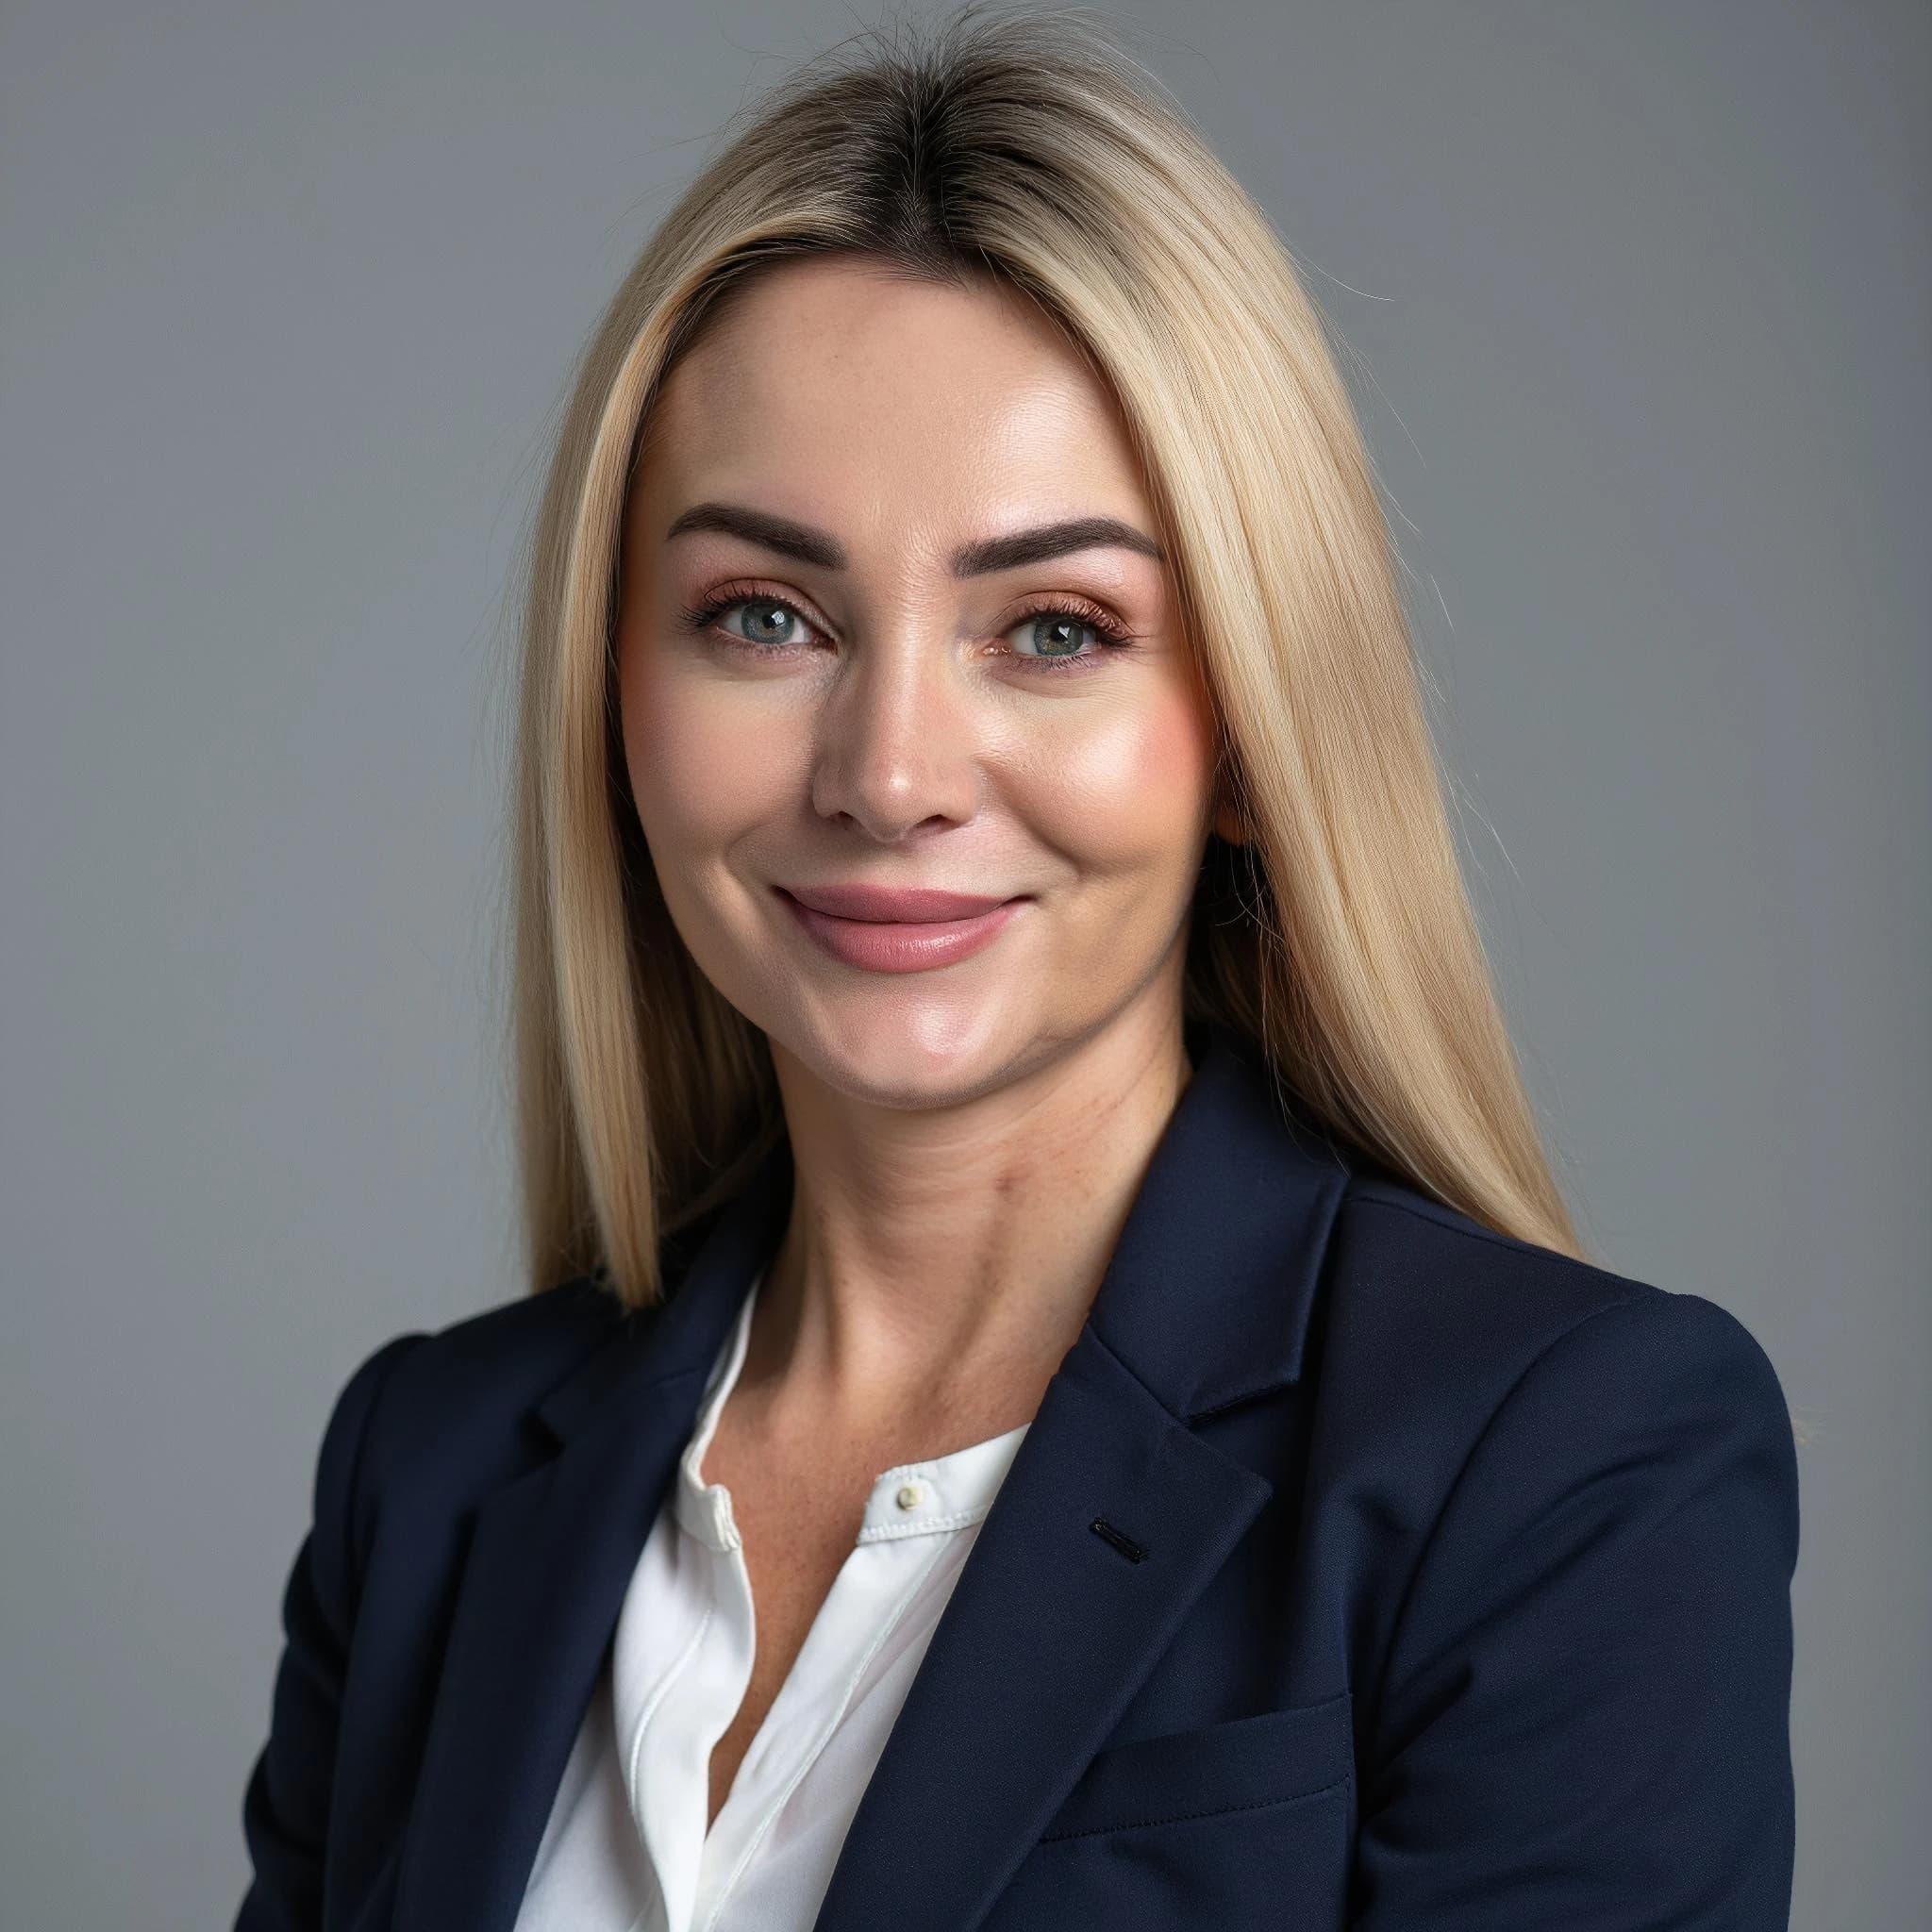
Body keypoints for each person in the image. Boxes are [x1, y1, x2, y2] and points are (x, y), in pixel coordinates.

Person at [234, 9, 1799, 1929]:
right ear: (613, 698)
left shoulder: (1559, 1470)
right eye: (762, 614)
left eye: (1053, 627)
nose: (889, 774)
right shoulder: (433, 1471)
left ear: (1243, 728)